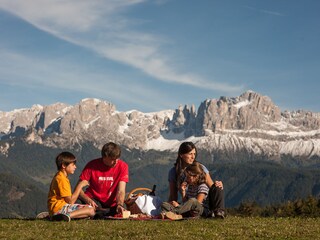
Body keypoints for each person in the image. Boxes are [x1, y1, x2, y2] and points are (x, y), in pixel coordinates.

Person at [168, 141, 225, 218]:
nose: (193, 157)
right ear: (181, 155)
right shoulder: (174, 172)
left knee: (217, 188)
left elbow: (212, 188)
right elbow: (173, 196)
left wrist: (218, 185)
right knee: (168, 205)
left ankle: (219, 212)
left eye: (194, 154)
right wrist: (171, 204)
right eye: (190, 154)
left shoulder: (200, 168)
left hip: (203, 205)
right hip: (187, 204)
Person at [77, 142, 129, 217]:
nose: (116, 161)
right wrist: (87, 200)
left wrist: (120, 204)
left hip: (113, 204)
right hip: (93, 200)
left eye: (117, 158)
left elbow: (121, 190)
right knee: (77, 204)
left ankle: (93, 214)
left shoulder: (123, 166)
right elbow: (78, 188)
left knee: (117, 210)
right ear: (104, 157)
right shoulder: (92, 165)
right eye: (112, 159)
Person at [47, 152, 95, 222]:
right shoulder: (62, 179)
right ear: (64, 165)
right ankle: (66, 216)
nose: (75, 167)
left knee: (90, 212)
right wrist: (80, 186)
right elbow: (70, 201)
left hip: (56, 207)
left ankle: (56, 216)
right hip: (59, 207)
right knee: (90, 209)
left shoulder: (60, 176)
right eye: (73, 165)